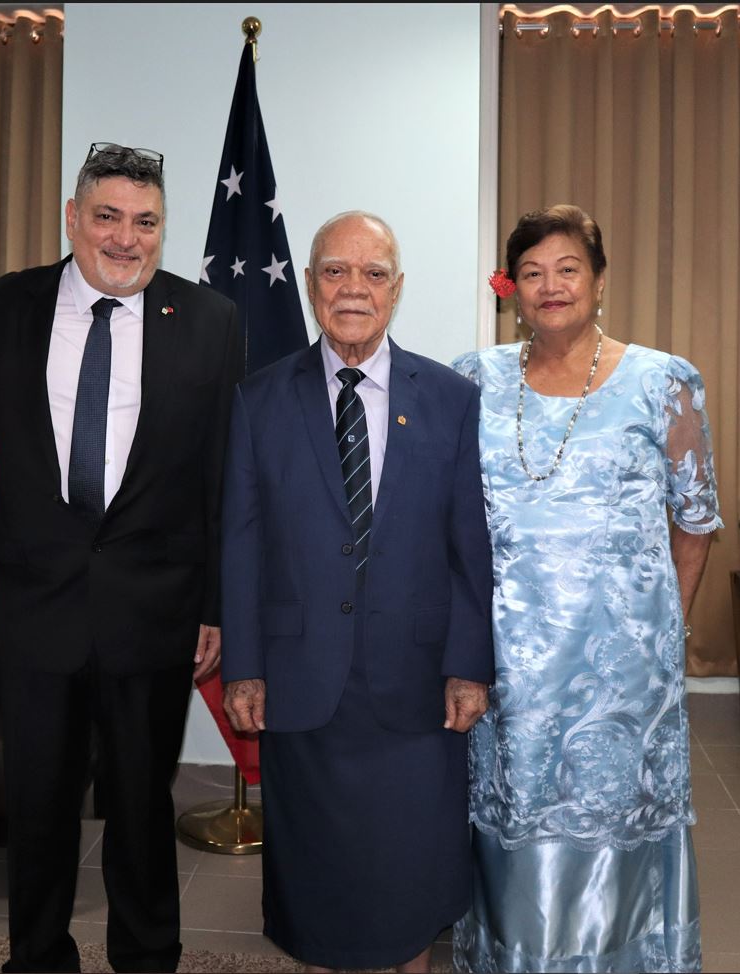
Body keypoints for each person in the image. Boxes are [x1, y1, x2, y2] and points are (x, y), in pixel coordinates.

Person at [0, 142, 241, 973]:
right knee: (40, 805)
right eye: (108, 216)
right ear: (72, 218)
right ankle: (38, 956)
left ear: (163, 228)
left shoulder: (210, 321)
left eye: (145, 221)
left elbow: (221, 472)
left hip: (154, 609)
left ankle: (147, 957)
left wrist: (215, 605)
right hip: (38, 598)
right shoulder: (1, 310)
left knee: (140, 804)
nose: (126, 238)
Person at [222, 211, 495, 973]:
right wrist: (243, 664)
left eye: (372, 274)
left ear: (396, 290)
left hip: (414, 689)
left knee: (406, 885)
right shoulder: (258, 400)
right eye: (335, 272)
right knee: (320, 886)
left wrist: (470, 663)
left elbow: (467, 546)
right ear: (310, 286)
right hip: (302, 682)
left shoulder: (447, 399)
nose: (353, 289)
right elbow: (240, 544)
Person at [451, 204, 721, 973]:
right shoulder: (473, 379)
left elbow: (695, 519)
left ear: (598, 281)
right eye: (532, 272)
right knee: (513, 821)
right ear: (512, 289)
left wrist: (663, 630)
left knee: (613, 827)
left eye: (567, 268)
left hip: (621, 666)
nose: (551, 286)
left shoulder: (661, 380)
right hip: (506, 660)